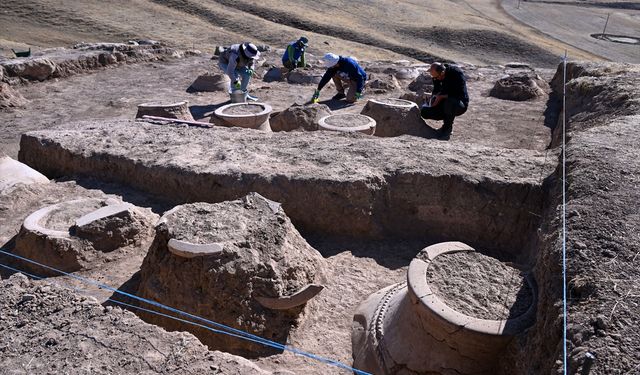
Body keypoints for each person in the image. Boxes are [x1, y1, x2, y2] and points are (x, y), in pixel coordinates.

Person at [420, 62, 469, 139]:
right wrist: (433, 100)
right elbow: (436, 90)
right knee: (424, 112)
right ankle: (447, 117)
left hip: (459, 104)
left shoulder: (456, 74)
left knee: (449, 102)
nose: (436, 79)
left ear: (442, 73)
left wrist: (441, 97)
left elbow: (459, 94)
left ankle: (447, 129)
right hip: (443, 103)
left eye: (437, 77)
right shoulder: (437, 76)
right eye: (434, 78)